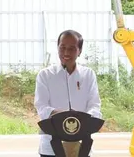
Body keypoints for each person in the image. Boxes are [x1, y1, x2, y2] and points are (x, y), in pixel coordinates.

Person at [34, 29, 102, 157]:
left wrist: (82, 119)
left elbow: (95, 105)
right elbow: (41, 106)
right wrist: (63, 116)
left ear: (80, 51)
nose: (66, 52)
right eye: (62, 47)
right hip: (50, 147)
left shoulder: (88, 75)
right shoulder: (45, 75)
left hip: (82, 145)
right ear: (57, 48)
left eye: (72, 48)